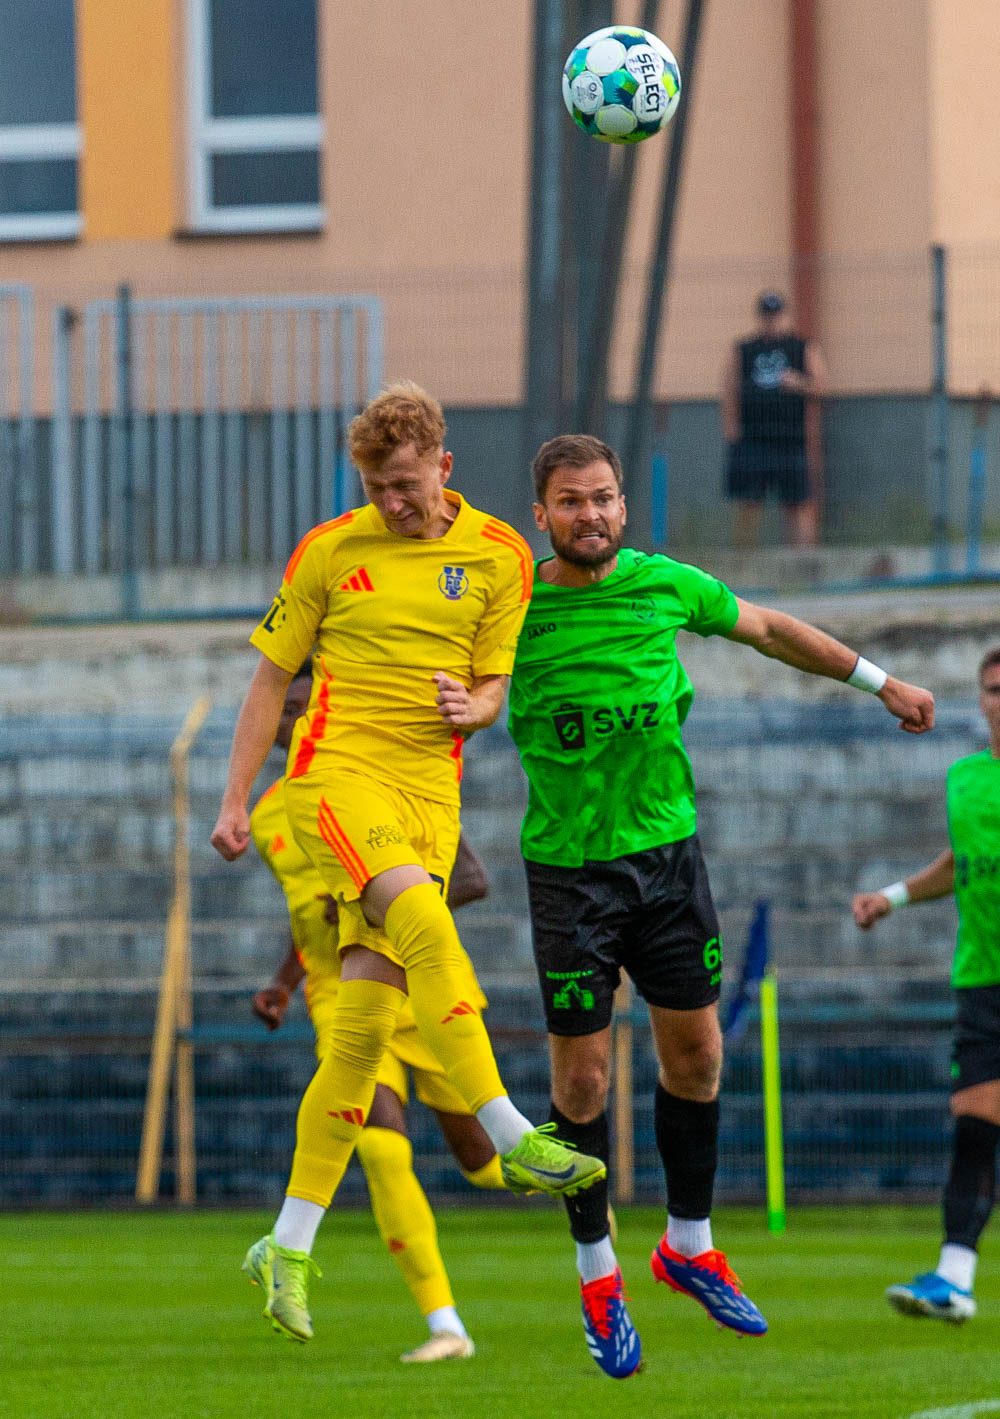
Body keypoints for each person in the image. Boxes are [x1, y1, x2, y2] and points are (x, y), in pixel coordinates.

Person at [507, 433, 935, 1379]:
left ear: (624, 506)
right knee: (582, 1085)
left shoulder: (664, 583)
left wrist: (883, 683)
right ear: (541, 515)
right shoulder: (513, 603)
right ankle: (598, 1272)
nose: (591, 514)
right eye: (571, 501)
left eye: (604, 497)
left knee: (699, 1056)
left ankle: (688, 1245)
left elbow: (772, 630)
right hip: (569, 873)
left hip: (666, 858)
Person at [210, 382, 605, 1344]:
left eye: (406, 484)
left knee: (357, 1036)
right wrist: (234, 798)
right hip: (337, 778)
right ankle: (515, 1134)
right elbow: (269, 678)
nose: (392, 502)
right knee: (425, 925)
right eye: (376, 487)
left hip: (431, 797)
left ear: (444, 468)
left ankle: (286, 1243)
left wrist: (479, 707)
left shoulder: (498, 554)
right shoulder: (328, 550)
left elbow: (494, 678)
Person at [249, 665, 502, 1362]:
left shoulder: (388, 777)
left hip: (421, 986)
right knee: (382, 1149)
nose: (289, 719)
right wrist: (282, 981)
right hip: (340, 997)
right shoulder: (271, 813)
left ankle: (583, 1200)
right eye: (282, 708)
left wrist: (375, 905)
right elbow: (312, 909)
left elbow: (469, 879)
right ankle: (447, 1326)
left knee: (486, 1165)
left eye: (302, 705)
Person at [852, 646, 1000, 1325]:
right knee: (974, 1127)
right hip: (982, 979)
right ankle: (954, 1280)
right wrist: (892, 897)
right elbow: (961, 863)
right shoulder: (965, 778)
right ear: (981, 699)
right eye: (993, 689)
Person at [721, 289, 827, 548]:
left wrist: (799, 383)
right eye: (767, 315)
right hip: (753, 438)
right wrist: (731, 429)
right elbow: (729, 389)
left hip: (790, 438)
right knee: (748, 503)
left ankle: (802, 561)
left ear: (785, 316)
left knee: (797, 503)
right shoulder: (744, 349)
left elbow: (821, 386)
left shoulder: (802, 347)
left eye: (776, 315)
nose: (772, 321)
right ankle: (743, 563)